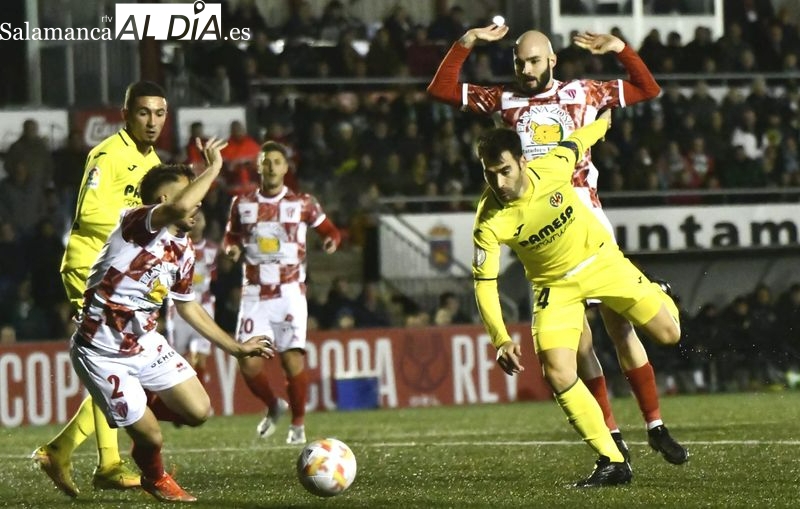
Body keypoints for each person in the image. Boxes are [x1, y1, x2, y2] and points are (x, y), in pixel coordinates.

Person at [427, 24, 688, 465]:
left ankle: (655, 424)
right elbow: (441, 89)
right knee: (578, 343)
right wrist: (467, 42)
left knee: (621, 325)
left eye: (533, 61)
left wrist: (620, 48)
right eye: (518, 62)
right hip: (536, 229)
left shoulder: (583, 92)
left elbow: (648, 88)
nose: (525, 70)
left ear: (552, 61)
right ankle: (611, 434)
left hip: (584, 218)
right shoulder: (503, 100)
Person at [473, 115, 681, 487]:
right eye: (490, 174)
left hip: (602, 263)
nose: (499, 182)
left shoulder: (552, 166)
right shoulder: (489, 221)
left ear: (522, 161)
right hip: (554, 287)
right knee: (556, 369)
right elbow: (484, 284)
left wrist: (605, 120)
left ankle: (654, 290)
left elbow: (579, 139)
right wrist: (500, 338)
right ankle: (612, 460)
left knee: (669, 334)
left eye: (504, 170)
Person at [70, 138, 275, 502]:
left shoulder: (183, 248)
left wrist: (237, 348)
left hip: (145, 343)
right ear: (163, 203)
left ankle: (135, 409)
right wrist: (212, 168)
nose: (196, 201)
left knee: (199, 411)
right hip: (102, 350)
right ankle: (155, 474)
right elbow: (181, 202)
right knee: (152, 438)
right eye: (188, 194)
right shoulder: (136, 222)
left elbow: (188, 306)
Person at [32, 81, 168, 497]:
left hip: (120, 279)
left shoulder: (155, 162)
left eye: (160, 114)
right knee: (117, 366)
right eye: (143, 113)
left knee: (119, 369)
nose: (152, 122)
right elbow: (91, 214)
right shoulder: (107, 155)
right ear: (126, 115)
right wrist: (140, 219)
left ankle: (102, 462)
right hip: (89, 269)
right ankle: (71, 454)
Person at [223, 140, 341, 445]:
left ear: (286, 168)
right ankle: (274, 406)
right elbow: (231, 237)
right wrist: (232, 249)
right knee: (248, 363)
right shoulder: (242, 204)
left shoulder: (303, 203)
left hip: (289, 293)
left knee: (291, 361)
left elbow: (330, 230)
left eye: (277, 161)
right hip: (254, 294)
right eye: (266, 161)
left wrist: (331, 241)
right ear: (258, 167)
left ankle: (298, 424)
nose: (272, 166)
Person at [165, 209, 219, 386]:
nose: (196, 220)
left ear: (205, 223)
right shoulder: (174, 247)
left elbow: (216, 278)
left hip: (203, 307)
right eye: (192, 217)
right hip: (178, 309)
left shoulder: (212, 250)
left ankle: (199, 405)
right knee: (176, 361)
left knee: (200, 359)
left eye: (200, 217)